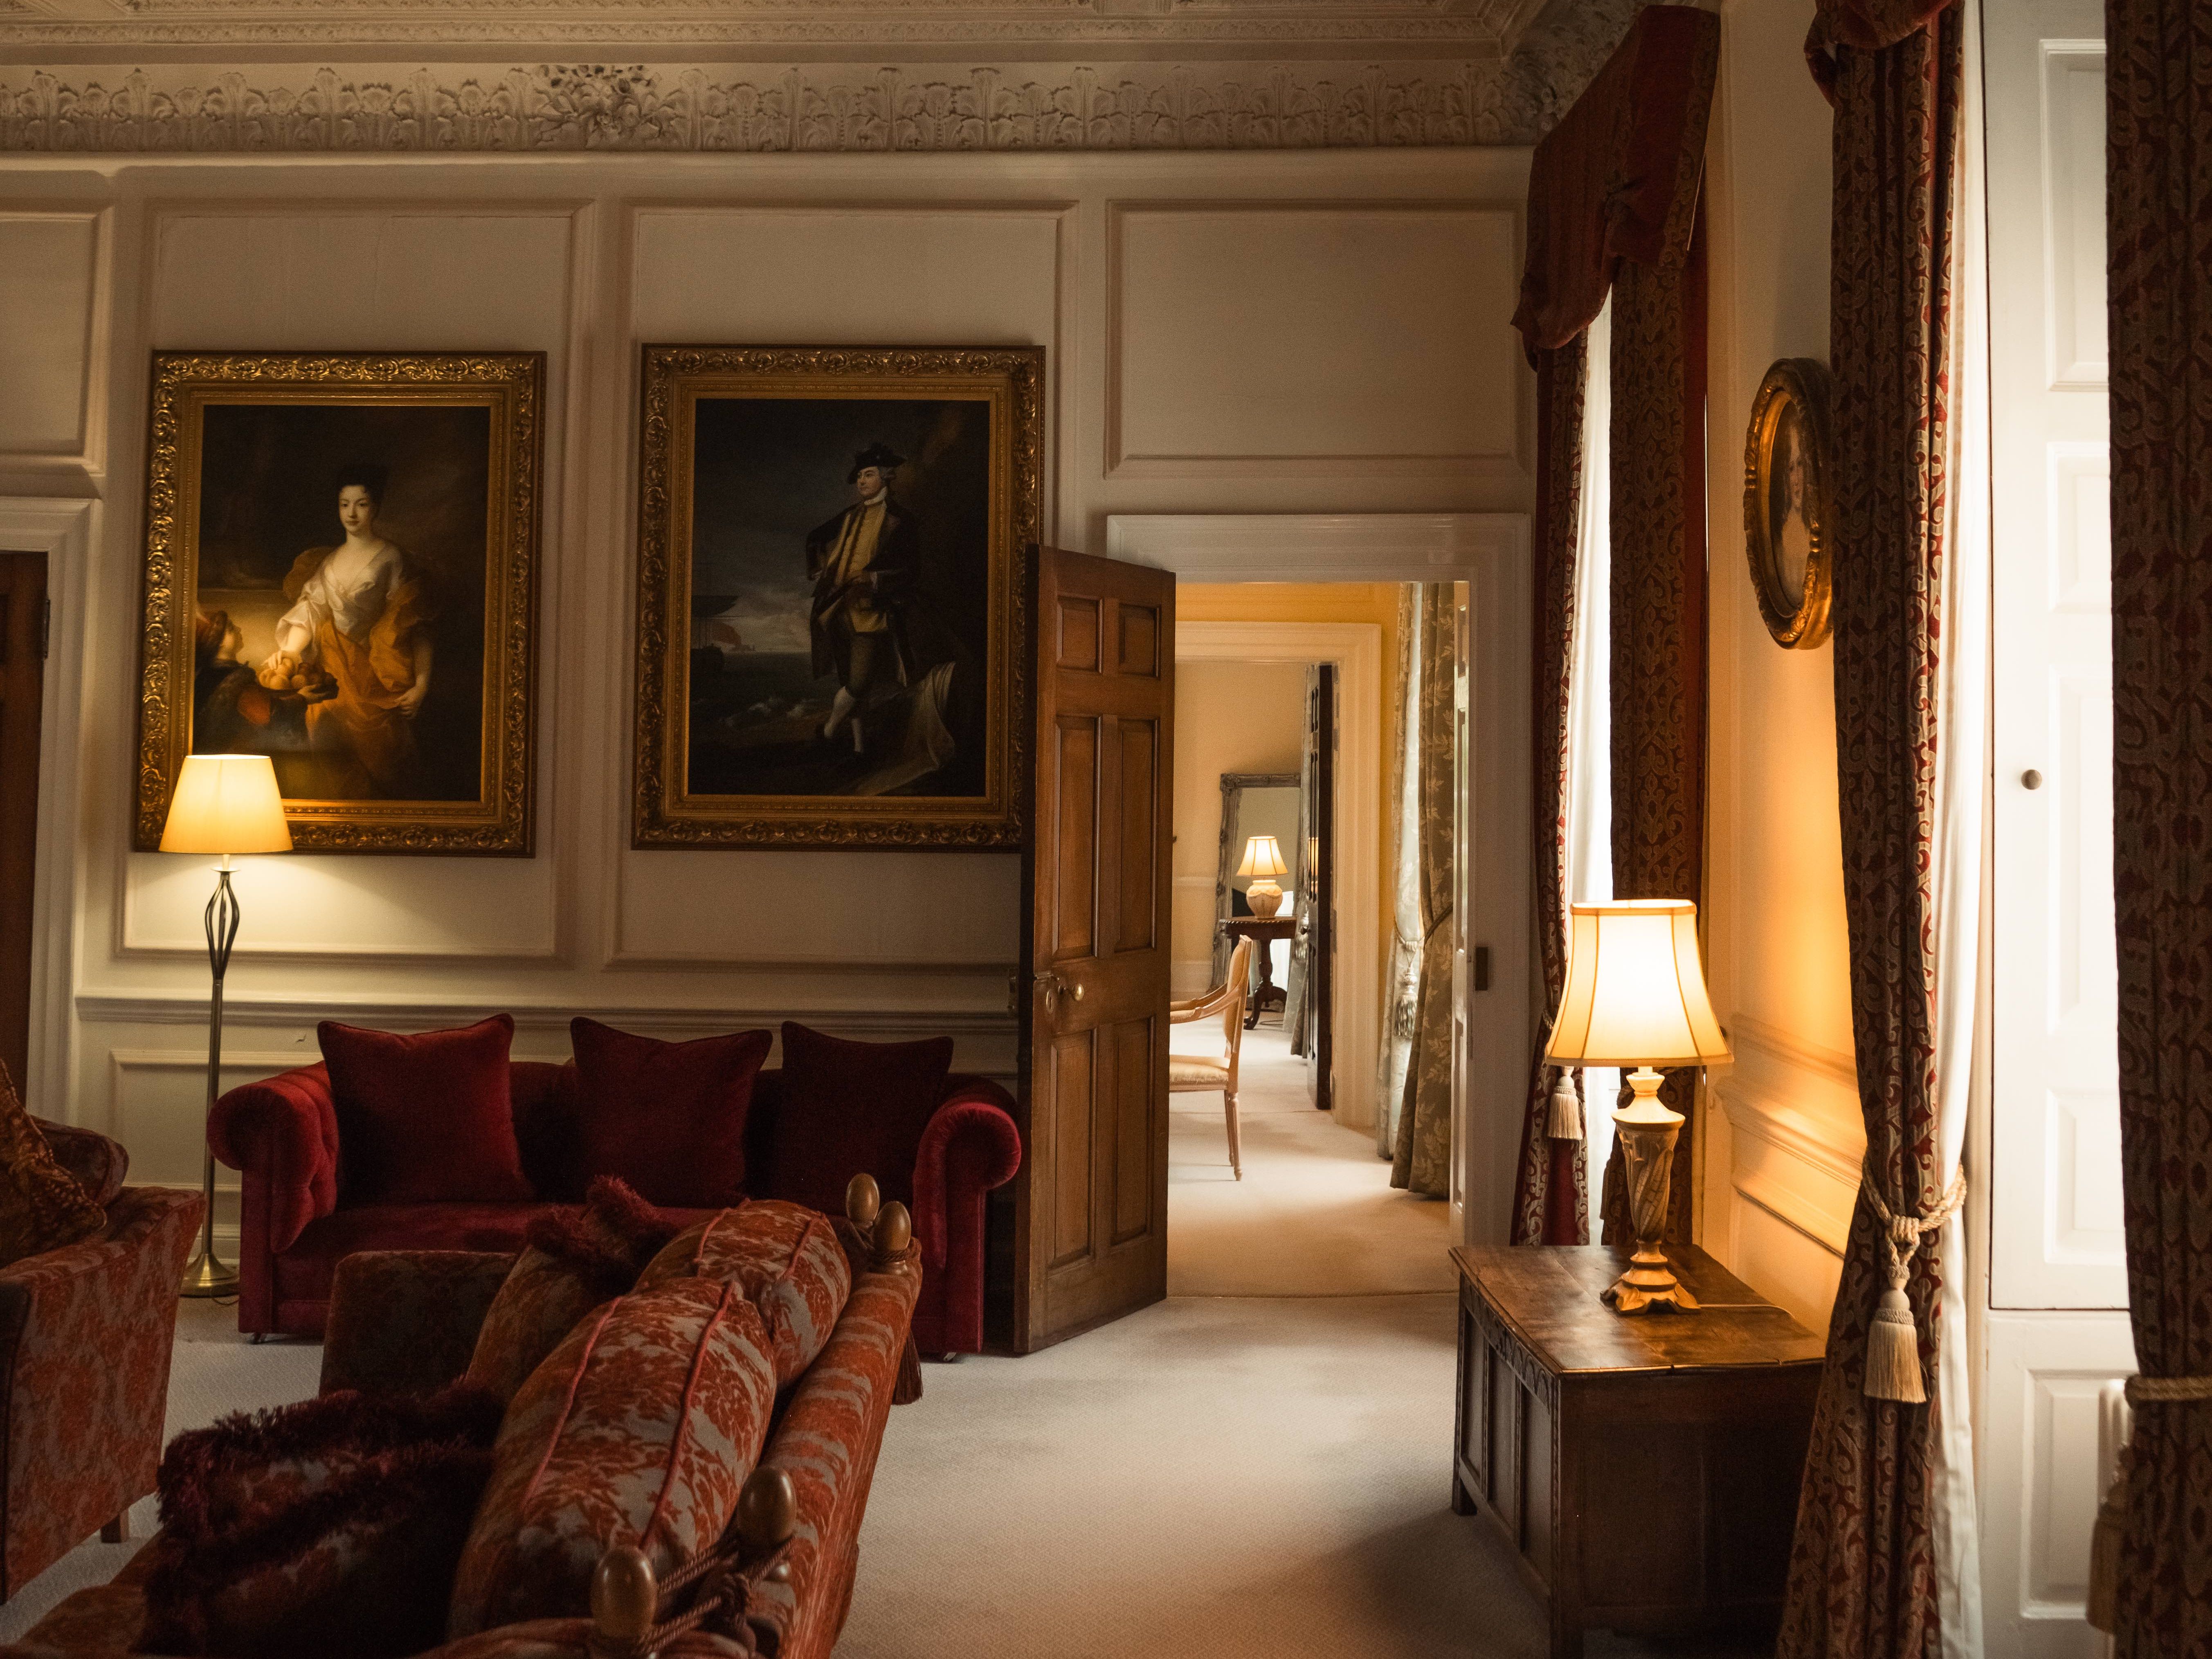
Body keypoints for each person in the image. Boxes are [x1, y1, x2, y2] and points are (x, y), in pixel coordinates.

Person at [258, 465, 435, 798]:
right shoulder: (329, 562)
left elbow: (413, 622)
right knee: (333, 765)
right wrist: (292, 654)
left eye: (362, 504)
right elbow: (311, 612)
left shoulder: (391, 558)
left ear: (376, 507)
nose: (352, 513)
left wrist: (423, 683)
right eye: (344, 504)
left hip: (375, 679)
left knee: (387, 766)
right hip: (332, 680)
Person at [805, 441, 922, 753]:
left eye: (868, 475)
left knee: (857, 684)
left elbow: (912, 571)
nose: (861, 482)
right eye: (859, 477)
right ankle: (859, 749)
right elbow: (815, 536)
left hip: (872, 611)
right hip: (838, 609)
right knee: (853, 683)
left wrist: (872, 578)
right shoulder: (850, 516)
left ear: (886, 477)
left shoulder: (901, 520)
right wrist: (819, 567)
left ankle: (829, 730)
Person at [1771, 410, 1815, 602]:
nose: (1797, 480)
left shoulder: (1813, 524)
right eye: (1791, 469)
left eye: (1800, 466)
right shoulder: (1787, 534)